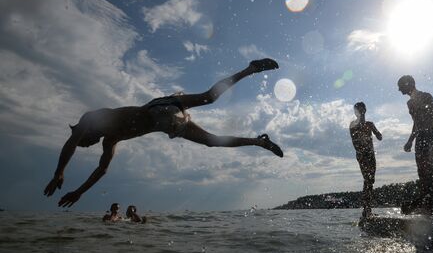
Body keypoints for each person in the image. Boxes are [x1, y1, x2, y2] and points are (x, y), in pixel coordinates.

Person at [44, 59, 283, 208]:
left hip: (158, 108)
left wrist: (59, 173)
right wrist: (79, 192)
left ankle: (251, 68)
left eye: (86, 144)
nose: (89, 144)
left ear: (82, 133)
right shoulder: (111, 140)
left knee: (209, 97)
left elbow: (71, 144)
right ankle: (259, 142)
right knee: (211, 142)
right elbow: (102, 169)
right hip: (165, 126)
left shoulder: (93, 118)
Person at [398, 75, 433, 212]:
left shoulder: (426, 96)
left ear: (409, 84)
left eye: (400, 86)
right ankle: (428, 201)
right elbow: (417, 123)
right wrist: (410, 140)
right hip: (420, 138)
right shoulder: (409, 103)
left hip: (432, 135)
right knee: (422, 172)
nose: (399, 90)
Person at [349, 102, 382, 218]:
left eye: (361, 109)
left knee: (370, 180)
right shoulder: (353, 125)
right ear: (355, 112)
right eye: (357, 110)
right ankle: (366, 210)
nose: (359, 112)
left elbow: (380, 137)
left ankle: (367, 209)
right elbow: (355, 139)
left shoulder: (370, 124)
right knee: (367, 179)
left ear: (365, 110)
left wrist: (376, 132)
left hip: (371, 155)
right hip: (362, 155)